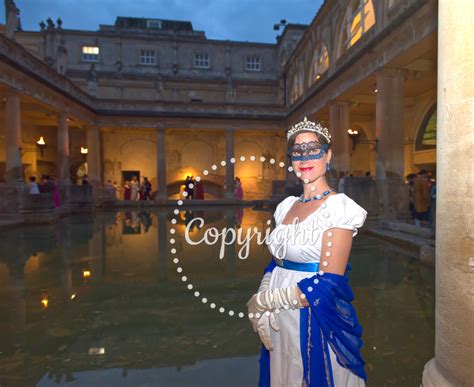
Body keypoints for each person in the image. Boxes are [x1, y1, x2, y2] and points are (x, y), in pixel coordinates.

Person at [247, 117, 368, 386]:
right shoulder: (286, 206)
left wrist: (266, 302)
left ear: (328, 155)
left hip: (312, 314)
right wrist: (262, 291)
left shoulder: (340, 208)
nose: (305, 157)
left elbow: (328, 282)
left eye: (313, 149)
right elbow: (278, 261)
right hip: (279, 318)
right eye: (297, 151)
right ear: (291, 160)